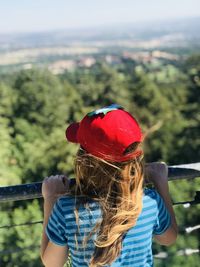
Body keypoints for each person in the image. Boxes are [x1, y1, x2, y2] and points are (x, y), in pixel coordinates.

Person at [40, 104, 178, 267]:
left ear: (84, 161)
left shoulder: (68, 209)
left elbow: (51, 263)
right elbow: (168, 238)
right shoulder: (149, 202)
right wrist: (161, 183)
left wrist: (51, 198)